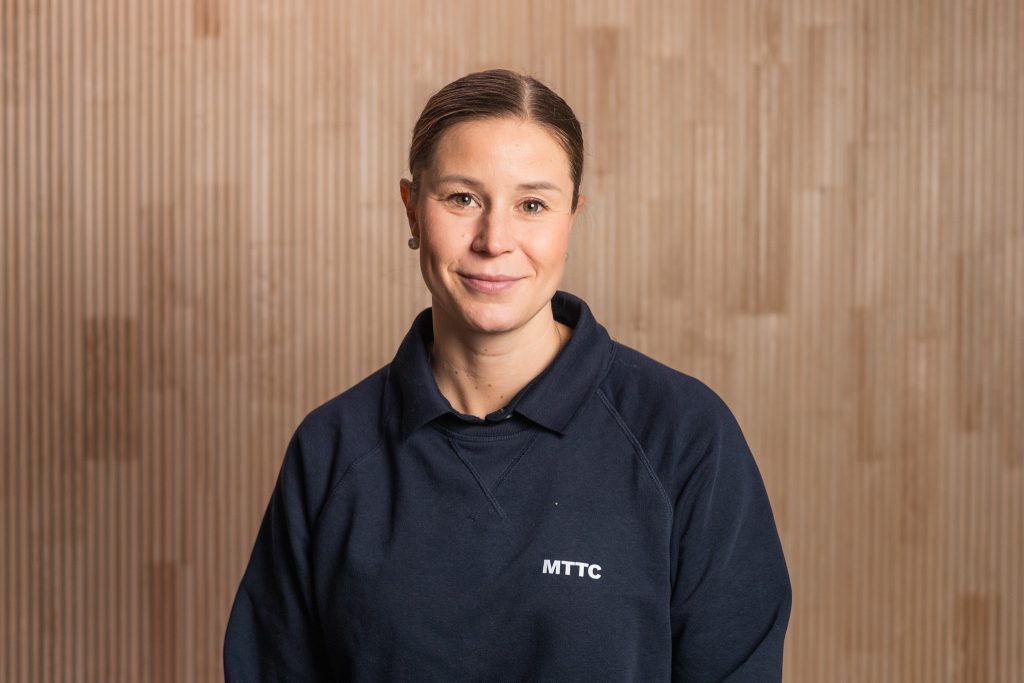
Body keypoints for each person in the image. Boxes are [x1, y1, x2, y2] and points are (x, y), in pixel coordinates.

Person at [224, 68, 792, 682]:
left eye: (532, 205)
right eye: (462, 199)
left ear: (572, 215)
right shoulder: (332, 449)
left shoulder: (684, 435)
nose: (495, 240)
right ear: (412, 209)